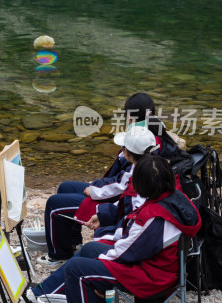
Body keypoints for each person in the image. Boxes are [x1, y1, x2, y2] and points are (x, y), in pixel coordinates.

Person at [29, 154, 201, 303]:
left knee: (77, 268)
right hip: (160, 267)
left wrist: (100, 260)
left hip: (151, 277)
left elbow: (126, 252)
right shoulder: (173, 197)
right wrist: (103, 220)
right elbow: (134, 239)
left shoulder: (154, 217)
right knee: (90, 249)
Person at [39, 92, 181, 265]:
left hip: (119, 198)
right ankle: (72, 243)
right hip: (120, 191)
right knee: (65, 187)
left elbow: (126, 184)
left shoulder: (145, 140)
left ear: (132, 115)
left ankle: (58, 255)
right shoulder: (152, 130)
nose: (126, 119)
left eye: (128, 115)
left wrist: (94, 189)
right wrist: (96, 185)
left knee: (55, 204)